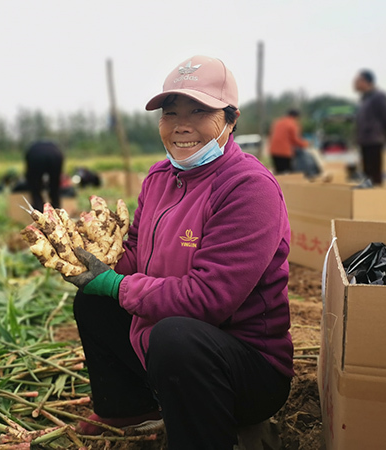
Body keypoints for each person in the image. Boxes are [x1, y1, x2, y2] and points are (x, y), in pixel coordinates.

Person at [63, 55, 293, 450]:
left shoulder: (249, 189)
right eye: (170, 113)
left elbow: (208, 299)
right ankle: (129, 408)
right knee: (93, 300)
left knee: (175, 336)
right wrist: (95, 258)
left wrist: (118, 286)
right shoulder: (157, 178)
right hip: (166, 351)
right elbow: (135, 252)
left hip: (246, 370)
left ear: (231, 120)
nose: (181, 125)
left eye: (200, 111)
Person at [353, 69, 386, 185]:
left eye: (357, 80)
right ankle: (368, 199)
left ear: (366, 81)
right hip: (364, 140)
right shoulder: (364, 99)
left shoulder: (379, 96)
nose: (355, 83)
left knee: (375, 174)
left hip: (374, 140)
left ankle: (377, 199)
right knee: (367, 175)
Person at [25, 140, 64, 212]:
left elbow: (29, 176)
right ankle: (57, 210)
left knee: (34, 186)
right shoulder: (54, 148)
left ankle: (38, 211)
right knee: (54, 184)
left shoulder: (32, 149)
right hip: (55, 154)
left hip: (35, 156)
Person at [268, 109, 308, 174]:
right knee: (287, 173)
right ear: (296, 116)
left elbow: (270, 135)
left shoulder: (277, 122)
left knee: (279, 172)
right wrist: (305, 144)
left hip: (273, 151)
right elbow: (295, 139)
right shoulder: (292, 124)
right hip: (284, 152)